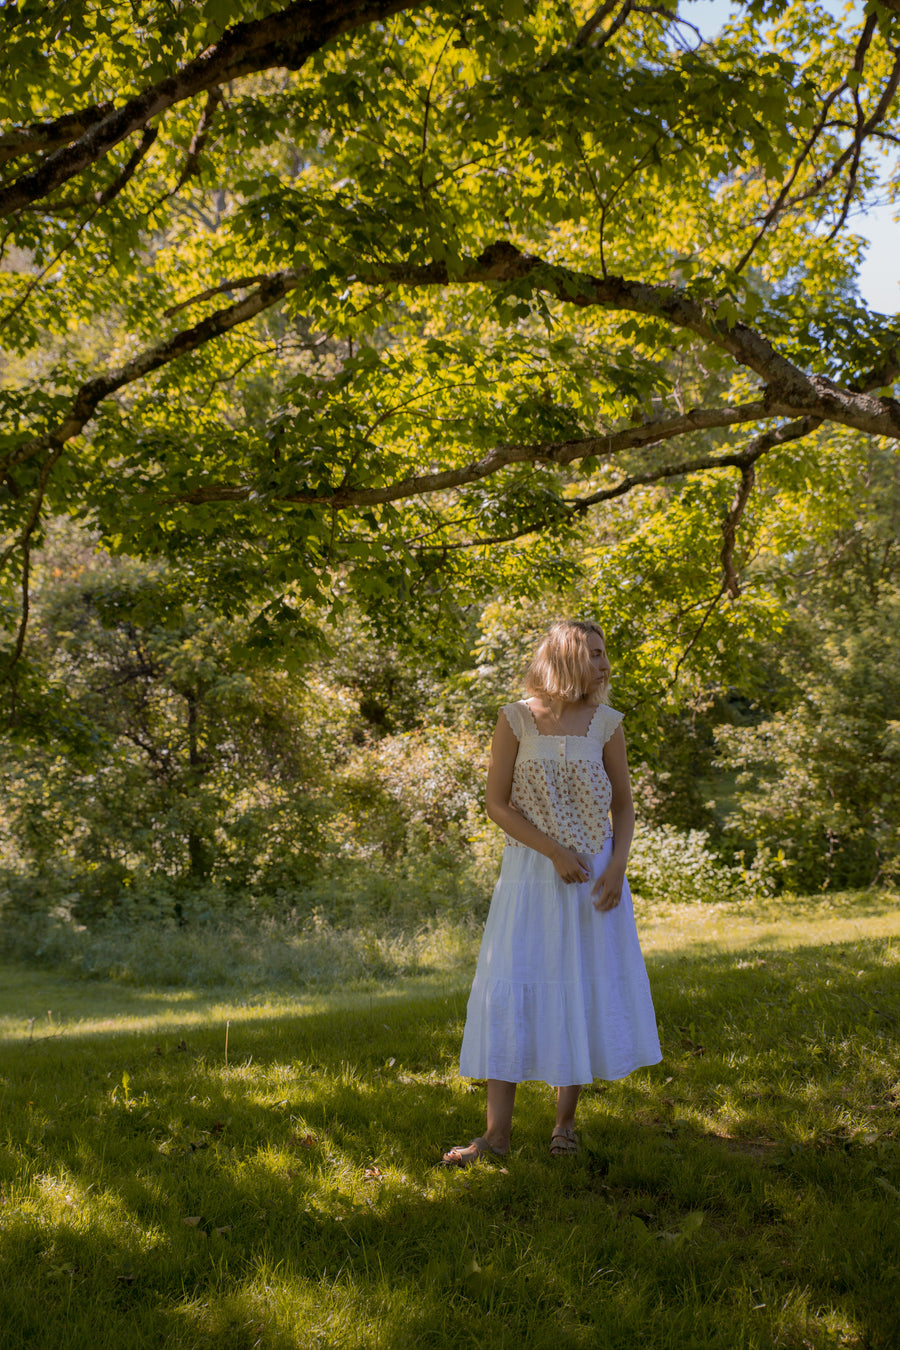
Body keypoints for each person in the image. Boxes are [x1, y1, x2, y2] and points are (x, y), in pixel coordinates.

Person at [441, 619, 661, 1164]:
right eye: (594, 653)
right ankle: (496, 1137)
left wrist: (617, 868)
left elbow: (624, 804)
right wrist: (553, 851)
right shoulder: (516, 719)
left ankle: (565, 1126)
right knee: (509, 988)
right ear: (564, 656)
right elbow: (497, 804)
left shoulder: (607, 723)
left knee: (577, 987)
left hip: (595, 878)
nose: (606, 664)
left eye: (606, 653)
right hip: (530, 875)